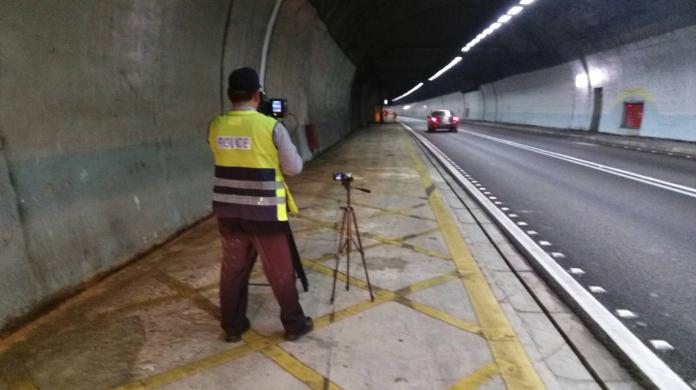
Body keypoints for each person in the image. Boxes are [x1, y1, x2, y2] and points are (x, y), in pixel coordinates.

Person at [207, 67, 312, 342]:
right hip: (265, 212)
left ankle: (232, 326)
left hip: (228, 212)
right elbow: (294, 168)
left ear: (230, 95)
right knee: (280, 272)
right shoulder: (270, 127)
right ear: (257, 95)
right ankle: (294, 324)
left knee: (232, 271)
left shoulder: (215, 125)